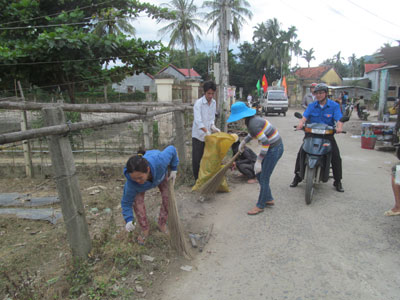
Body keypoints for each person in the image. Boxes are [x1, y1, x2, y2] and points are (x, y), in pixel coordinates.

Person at [227, 101, 284, 215]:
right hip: (273, 147)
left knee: (263, 177)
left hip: (274, 149)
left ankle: (260, 205)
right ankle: (268, 198)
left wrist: (258, 161)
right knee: (258, 174)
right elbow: (252, 134)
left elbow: (266, 143)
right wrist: (243, 142)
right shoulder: (252, 120)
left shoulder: (253, 123)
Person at [290, 83, 345, 192]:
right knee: (301, 152)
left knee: (336, 156)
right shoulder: (312, 106)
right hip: (311, 134)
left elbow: (339, 119)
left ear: (326, 93)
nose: (318, 95)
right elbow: (304, 117)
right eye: (316, 93)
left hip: (327, 135)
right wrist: (300, 124)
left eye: (321, 93)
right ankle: (297, 176)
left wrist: (339, 127)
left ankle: (337, 181)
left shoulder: (334, 106)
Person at [121, 146, 179, 244]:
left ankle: (162, 224)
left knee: (168, 198)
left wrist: (174, 168)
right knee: (137, 204)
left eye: (140, 178)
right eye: (134, 178)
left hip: (160, 175)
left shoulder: (160, 160)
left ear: (147, 169)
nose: (137, 181)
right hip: (142, 187)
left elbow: (172, 149)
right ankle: (145, 230)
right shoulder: (132, 183)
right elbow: (126, 202)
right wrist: (129, 219)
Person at [192, 81, 220, 181]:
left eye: (212, 93)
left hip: (208, 136)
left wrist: (213, 127)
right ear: (205, 93)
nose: (211, 96)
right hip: (198, 135)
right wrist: (206, 131)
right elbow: (198, 121)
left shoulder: (213, 103)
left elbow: (211, 118)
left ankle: (205, 178)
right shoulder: (198, 103)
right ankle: (197, 180)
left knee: (207, 158)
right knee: (197, 159)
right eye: (209, 93)